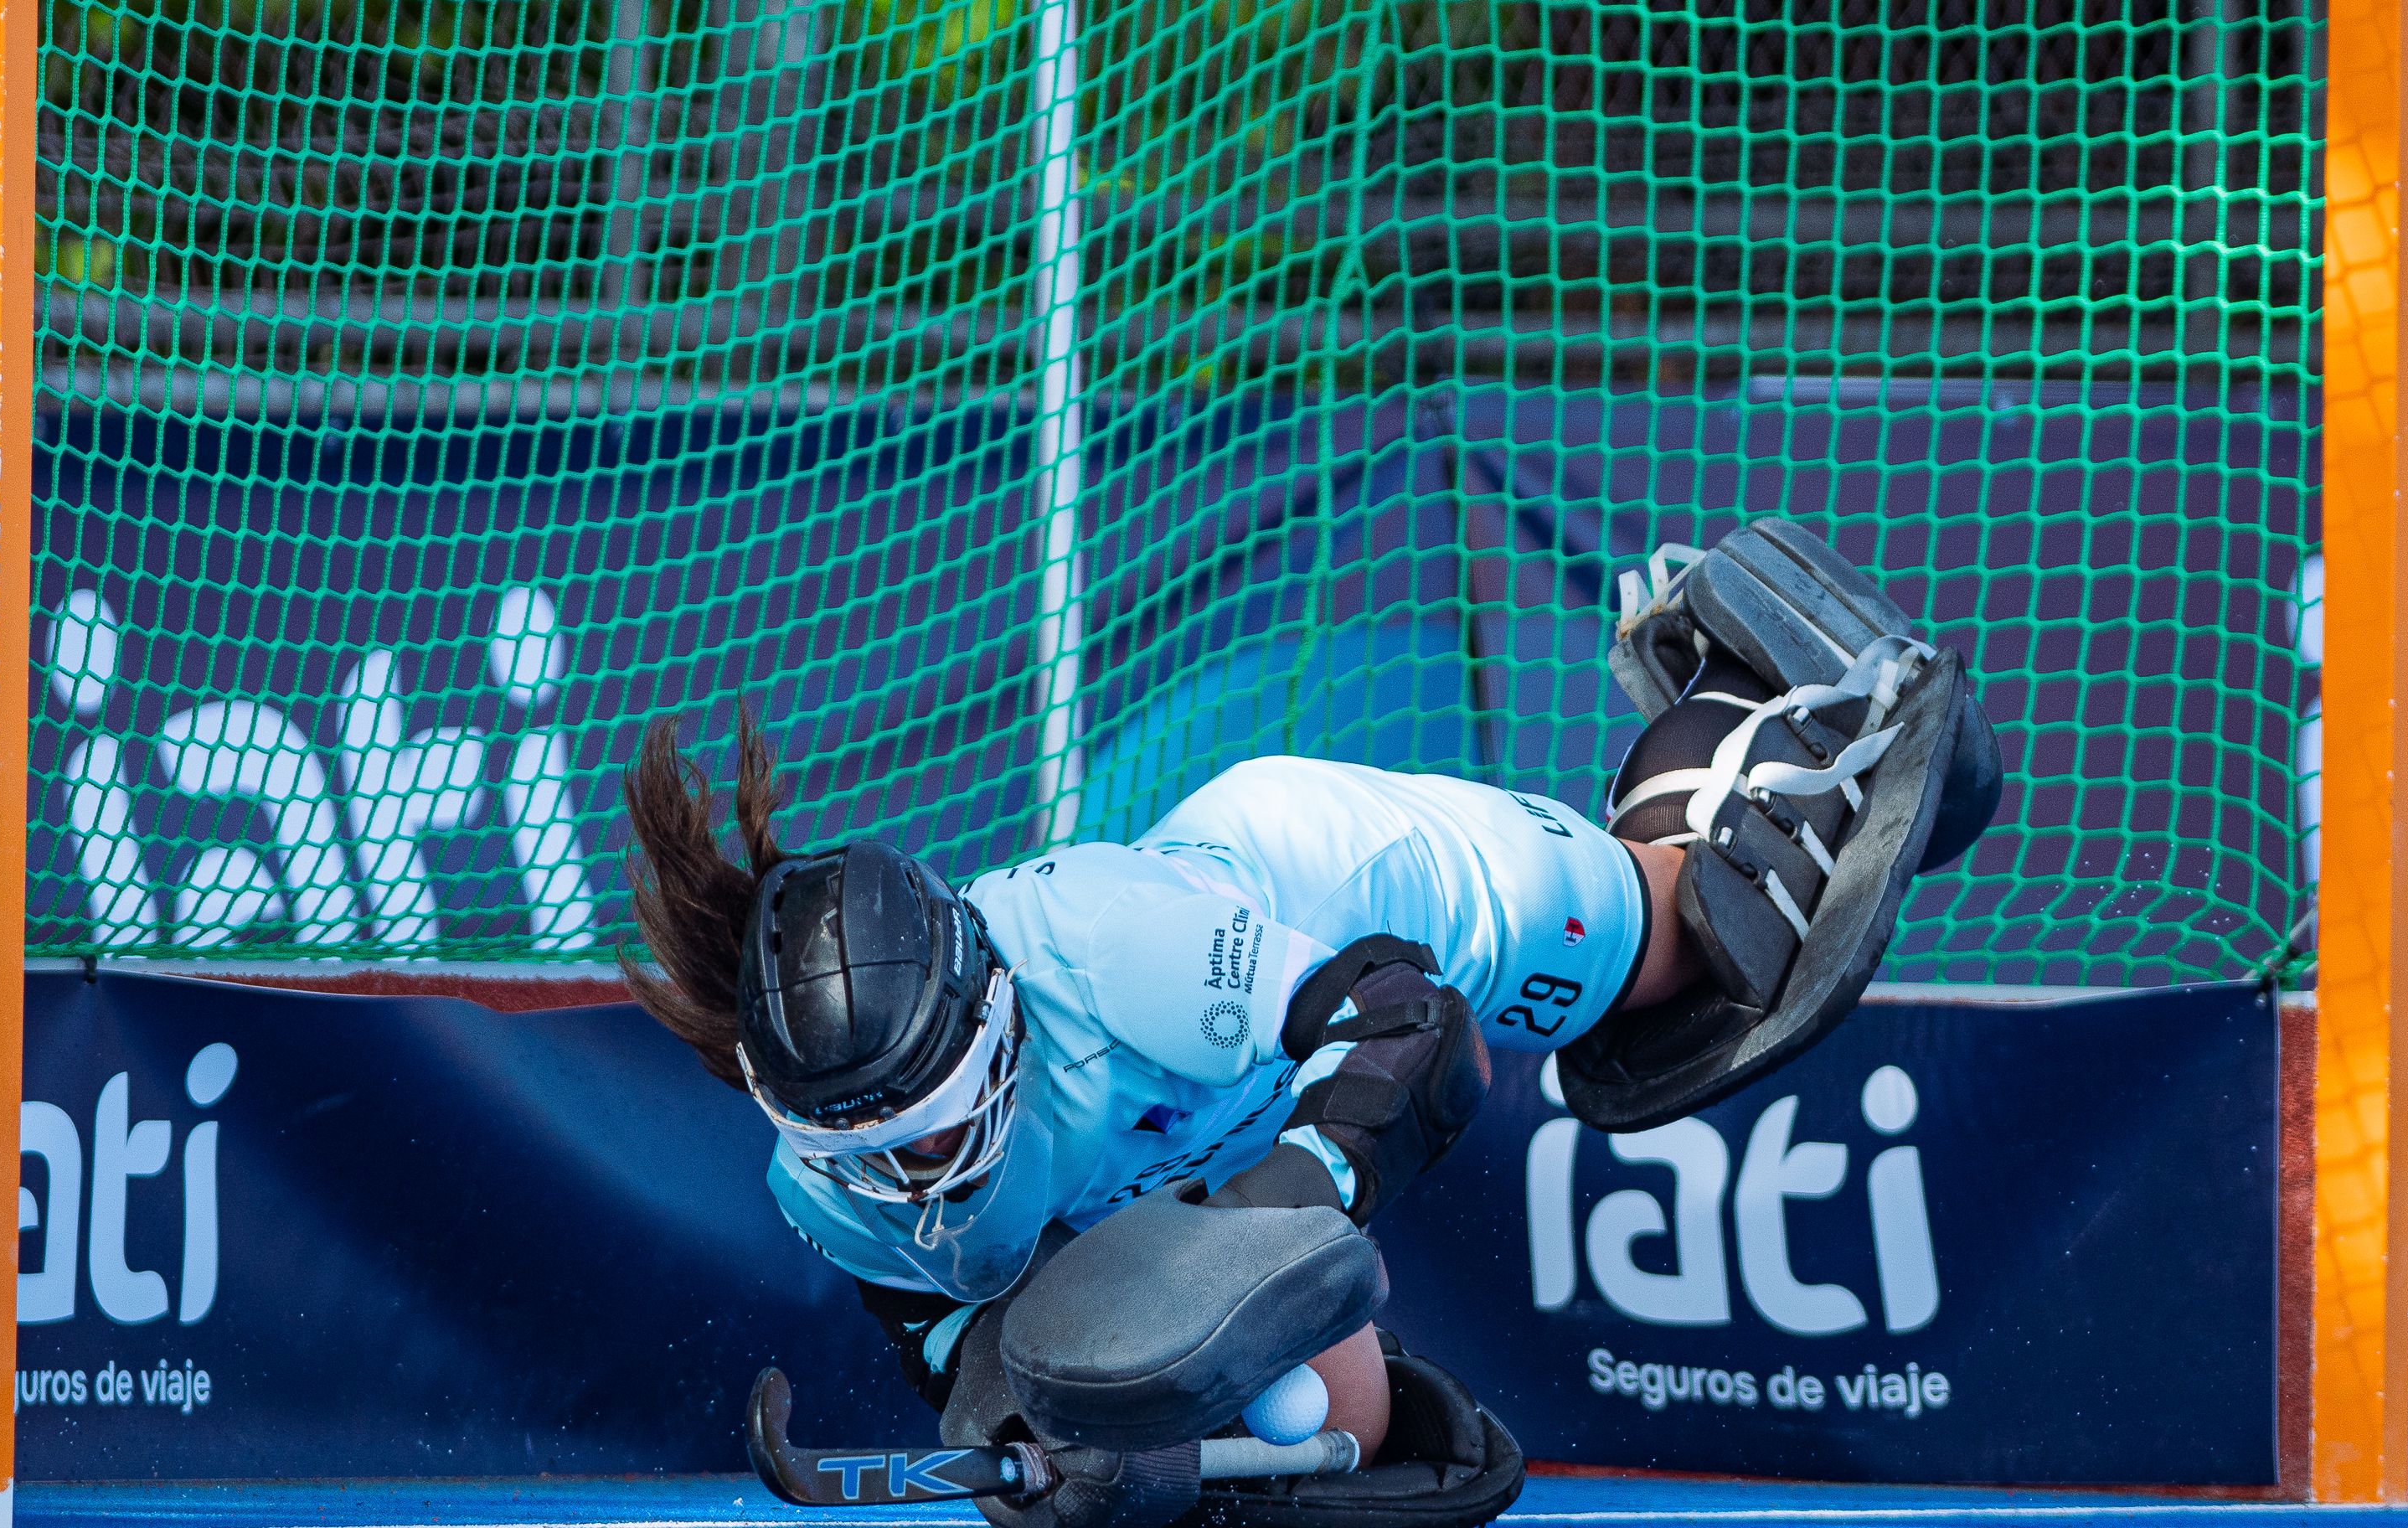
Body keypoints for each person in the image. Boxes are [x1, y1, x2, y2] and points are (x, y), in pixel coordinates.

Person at [619, 520, 1998, 1527]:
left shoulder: (1111, 943)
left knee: (1696, 951)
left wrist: (1263, 1229)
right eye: (871, 1152)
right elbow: (941, 1323)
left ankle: (1745, 705)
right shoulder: (823, 1168)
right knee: (1334, 1442)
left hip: (1338, 892)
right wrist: (1027, 1426)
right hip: (1176, 1149)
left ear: (990, 1019)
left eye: (925, 1131)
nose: (906, 1179)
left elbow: (1411, 1032)